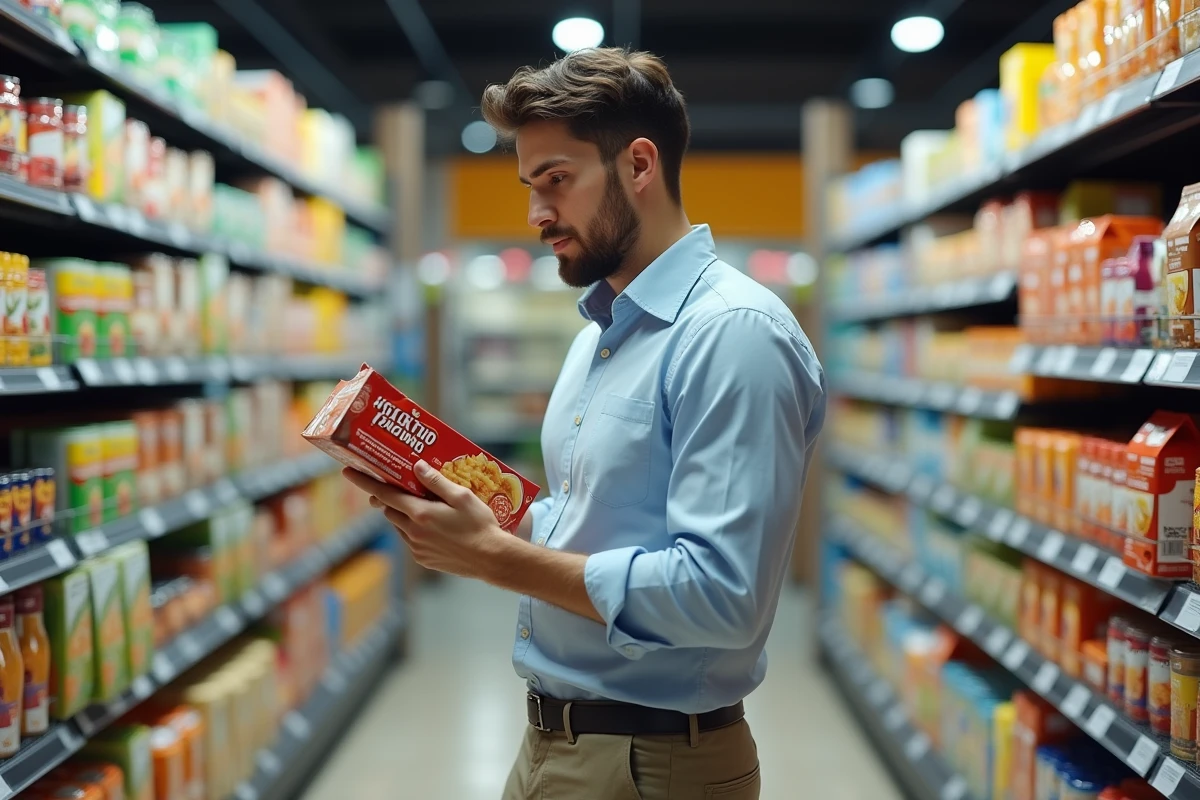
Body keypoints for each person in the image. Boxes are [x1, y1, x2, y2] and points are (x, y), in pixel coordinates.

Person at [341, 46, 826, 799]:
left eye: (557, 181)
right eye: (529, 186)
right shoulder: (595, 337)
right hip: (554, 743)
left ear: (639, 166)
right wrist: (483, 518)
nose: (536, 214)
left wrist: (495, 562)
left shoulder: (733, 334)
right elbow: (591, 521)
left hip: (651, 763)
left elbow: (722, 597)